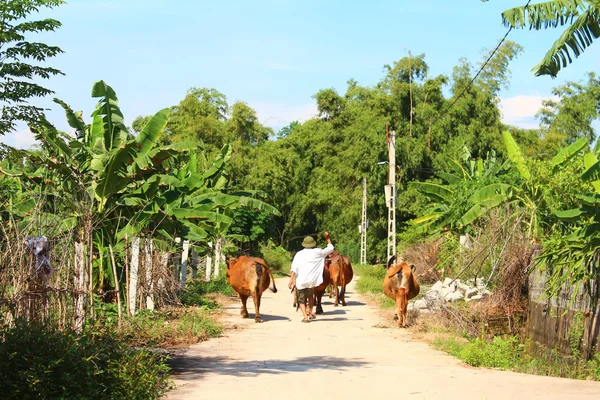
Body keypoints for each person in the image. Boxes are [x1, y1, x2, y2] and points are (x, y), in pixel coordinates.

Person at [288, 232, 334, 323]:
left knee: (301, 299)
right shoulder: (317, 252)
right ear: (313, 244)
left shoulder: (299, 254)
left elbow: (294, 268)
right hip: (312, 281)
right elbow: (330, 249)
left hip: (301, 281)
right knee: (311, 297)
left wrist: (291, 279)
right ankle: (311, 313)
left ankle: (305, 316)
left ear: (304, 244)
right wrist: (328, 238)